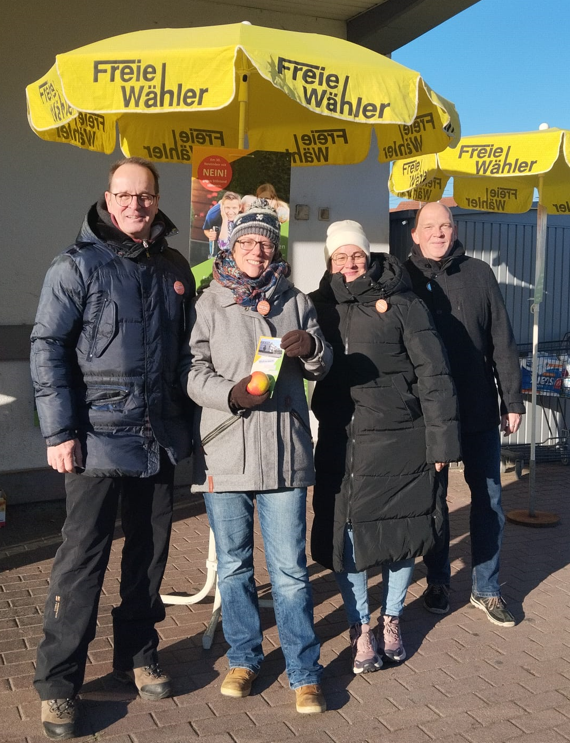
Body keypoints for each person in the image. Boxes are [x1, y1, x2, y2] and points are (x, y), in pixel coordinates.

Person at [31, 157, 195, 740]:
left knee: (148, 558)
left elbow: (187, 353)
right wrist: (59, 432)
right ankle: (58, 684)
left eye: (144, 195)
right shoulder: (75, 265)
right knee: (82, 563)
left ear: (157, 200)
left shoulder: (174, 267)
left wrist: (191, 430)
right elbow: (48, 346)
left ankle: (137, 655)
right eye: (124, 195)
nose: (134, 204)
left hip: (157, 438)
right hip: (94, 440)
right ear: (107, 198)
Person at [183, 199, 332, 714]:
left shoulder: (296, 300)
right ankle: (244, 658)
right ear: (231, 246)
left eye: (265, 243)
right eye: (247, 241)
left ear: (275, 249)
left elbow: (323, 365)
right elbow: (190, 371)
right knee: (234, 566)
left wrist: (312, 348)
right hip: (224, 452)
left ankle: (304, 672)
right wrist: (230, 394)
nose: (257, 250)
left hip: (285, 455)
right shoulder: (209, 302)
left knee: (289, 571)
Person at [310, 220, 461, 675]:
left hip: (401, 437)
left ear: (369, 256)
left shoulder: (404, 302)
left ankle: (391, 619)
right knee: (346, 537)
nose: (350, 263)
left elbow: (434, 374)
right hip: (343, 439)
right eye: (340, 256)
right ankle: (360, 627)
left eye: (357, 254)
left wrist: (442, 442)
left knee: (401, 534)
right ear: (330, 262)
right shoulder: (318, 306)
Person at [406, 201, 524, 626]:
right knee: (433, 501)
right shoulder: (402, 279)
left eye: (445, 225)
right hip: (427, 414)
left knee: (489, 501)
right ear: (415, 234)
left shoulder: (479, 274)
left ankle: (486, 588)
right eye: (429, 226)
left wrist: (512, 399)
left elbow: (501, 340)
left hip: (477, 408)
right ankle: (438, 581)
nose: (438, 233)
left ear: (454, 231)